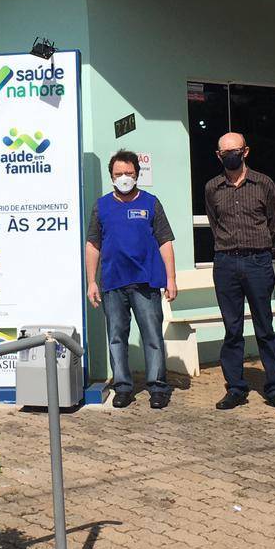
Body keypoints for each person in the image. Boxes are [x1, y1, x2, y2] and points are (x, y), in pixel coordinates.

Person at [204, 132, 275, 414]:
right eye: (224, 151)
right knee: (232, 329)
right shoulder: (212, 188)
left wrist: (261, 251)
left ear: (245, 152)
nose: (230, 154)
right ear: (219, 156)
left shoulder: (264, 183)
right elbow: (214, 223)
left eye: (236, 150)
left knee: (264, 327)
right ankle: (235, 388)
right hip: (226, 263)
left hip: (258, 262)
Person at [86, 150, 178, 409]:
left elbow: (165, 241)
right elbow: (93, 244)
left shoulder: (151, 203)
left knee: (152, 336)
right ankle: (123, 388)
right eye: (118, 174)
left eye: (128, 173)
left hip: (146, 281)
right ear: (111, 177)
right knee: (116, 337)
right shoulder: (101, 206)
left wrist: (171, 278)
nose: (124, 178)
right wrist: (92, 281)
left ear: (137, 174)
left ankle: (158, 387)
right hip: (113, 282)